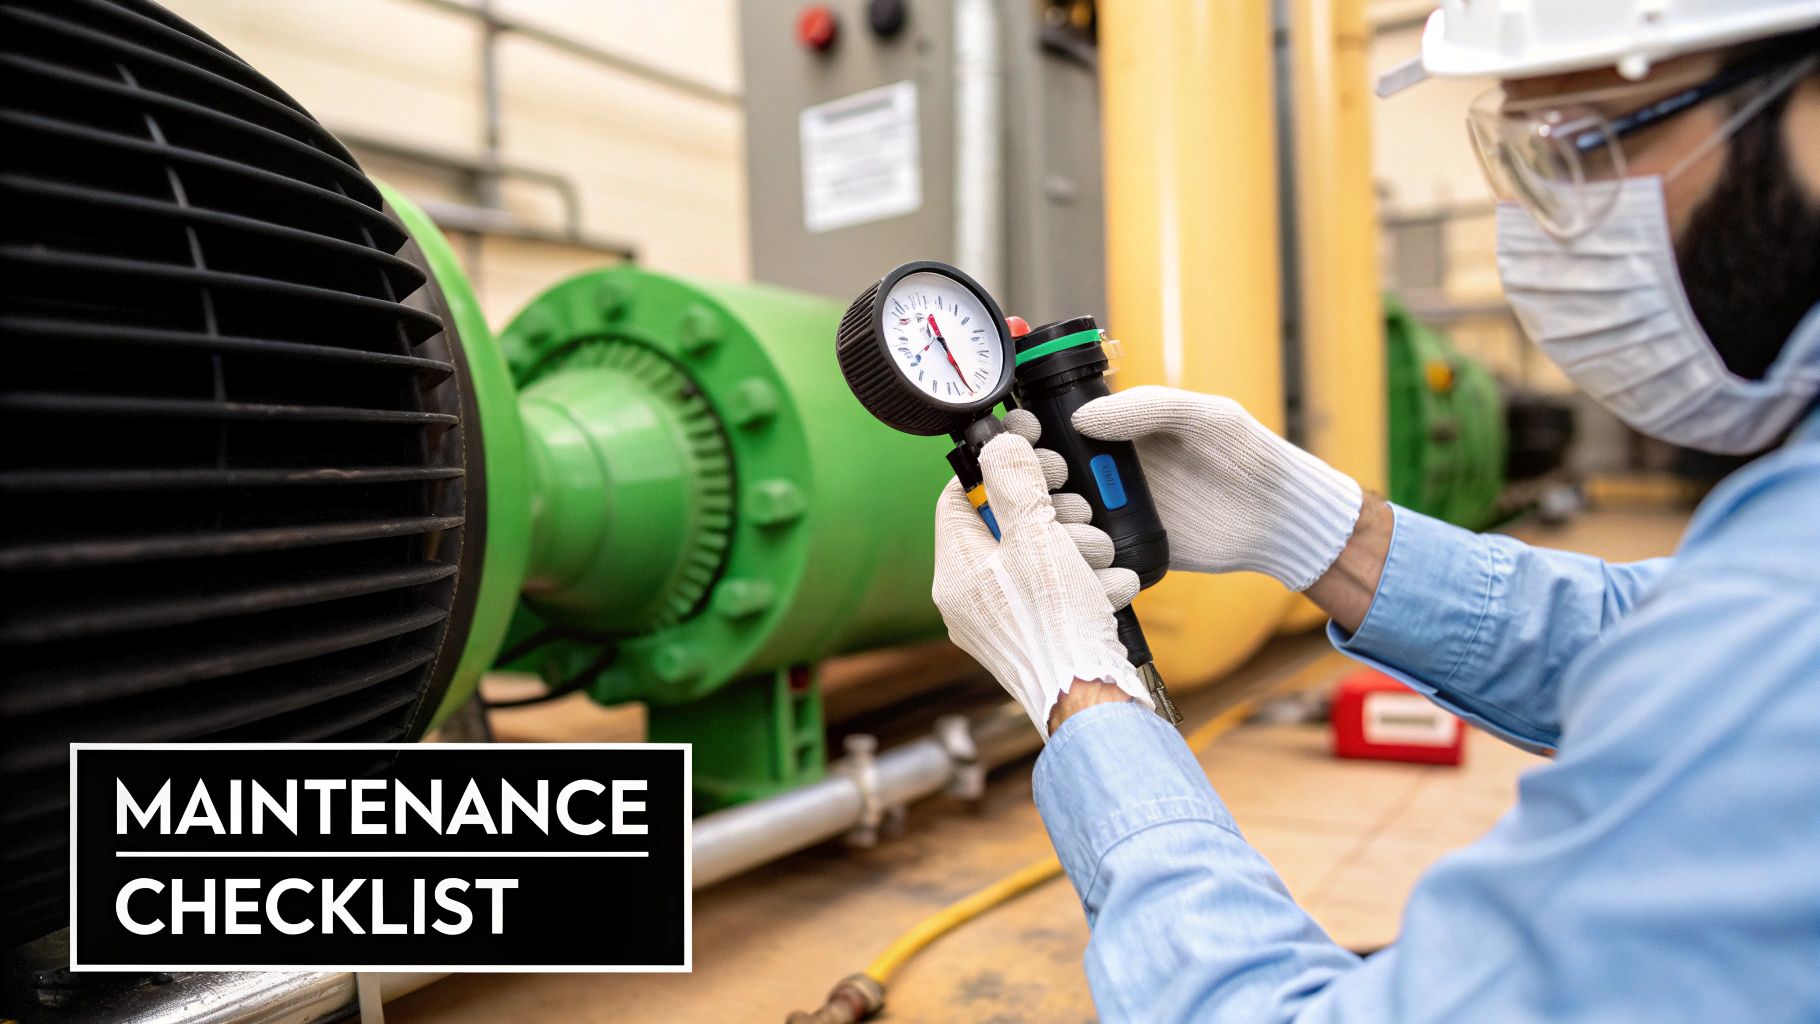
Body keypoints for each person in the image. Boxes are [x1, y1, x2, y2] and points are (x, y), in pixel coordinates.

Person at [930, 3, 1820, 1020]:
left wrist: (1080, 695)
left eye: (1581, 140)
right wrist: (1319, 531)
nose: (1542, 221)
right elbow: (1670, 645)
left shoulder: (1782, 630)